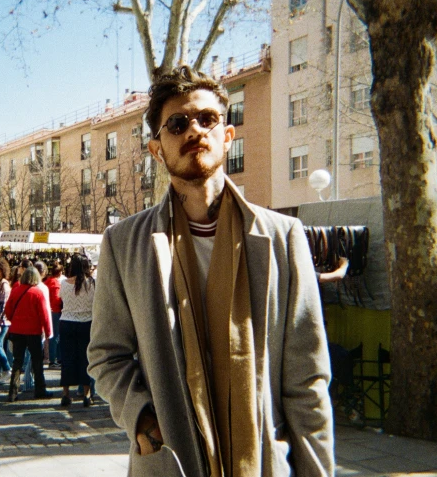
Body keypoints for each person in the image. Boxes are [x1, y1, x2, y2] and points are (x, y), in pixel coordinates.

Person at [87, 66, 334, 476]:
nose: (194, 131)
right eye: (177, 123)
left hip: (260, 461)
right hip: (171, 460)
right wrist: (144, 421)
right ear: (157, 149)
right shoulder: (124, 243)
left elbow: (307, 379)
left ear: (228, 135)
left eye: (207, 119)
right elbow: (106, 356)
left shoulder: (283, 238)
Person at [5, 267, 52, 401]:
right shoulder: (37, 293)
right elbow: (44, 315)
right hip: (33, 331)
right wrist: (48, 332)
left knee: (17, 362)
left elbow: (8, 311)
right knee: (37, 362)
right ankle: (40, 389)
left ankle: (12, 392)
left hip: (17, 330)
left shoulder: (15, 291)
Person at [59, 255, 95, 407]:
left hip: (67, 322)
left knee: (67, 358)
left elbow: (61, 299)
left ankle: (66, 393)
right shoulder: (92, 283)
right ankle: (87, 394)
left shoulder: (64, 284)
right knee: (85, 359)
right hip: (86, 323)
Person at [43, 262, 63, 368]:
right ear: (60, 272)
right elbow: (56, 299)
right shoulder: (55, 283)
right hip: (55, 311)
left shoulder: (47, 282)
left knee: (50, 335)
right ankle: (53, 360)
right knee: (55, 336)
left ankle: (54, 358)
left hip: (48, 310)